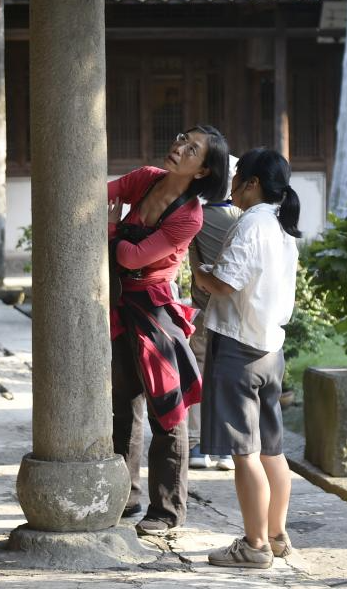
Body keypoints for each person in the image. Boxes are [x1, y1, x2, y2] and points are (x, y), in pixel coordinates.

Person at [108, 125, 230, 537]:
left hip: (155, 312)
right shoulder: (146, 178)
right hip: (121, 304)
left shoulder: (189, 215)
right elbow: (97, 196)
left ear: (202, 171)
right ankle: (123, 496)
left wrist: (110, 229)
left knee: (167, 410)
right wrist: (111, 227)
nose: (179, 147)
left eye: (192, 149)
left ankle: (167, 511)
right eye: (181, 138)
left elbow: (132, 257)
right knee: (123, 404)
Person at [192, 148, 301, 569]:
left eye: (237, 177)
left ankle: (254, 545)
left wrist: (199, 272)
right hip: (270, 347)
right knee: (272, 450)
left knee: (245, 452)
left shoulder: (251, 223)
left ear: (252, 183)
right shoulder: (280, 223)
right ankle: (276, 535)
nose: (232, 184)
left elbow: (226, 284)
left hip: (238, 347)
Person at [186, 158, 242, 472]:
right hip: (237, 315)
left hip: (204, 310)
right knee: (229, 377)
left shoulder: (196, 215)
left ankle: (197, 444)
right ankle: (226, 449)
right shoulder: (245, 219)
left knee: (198, 372)